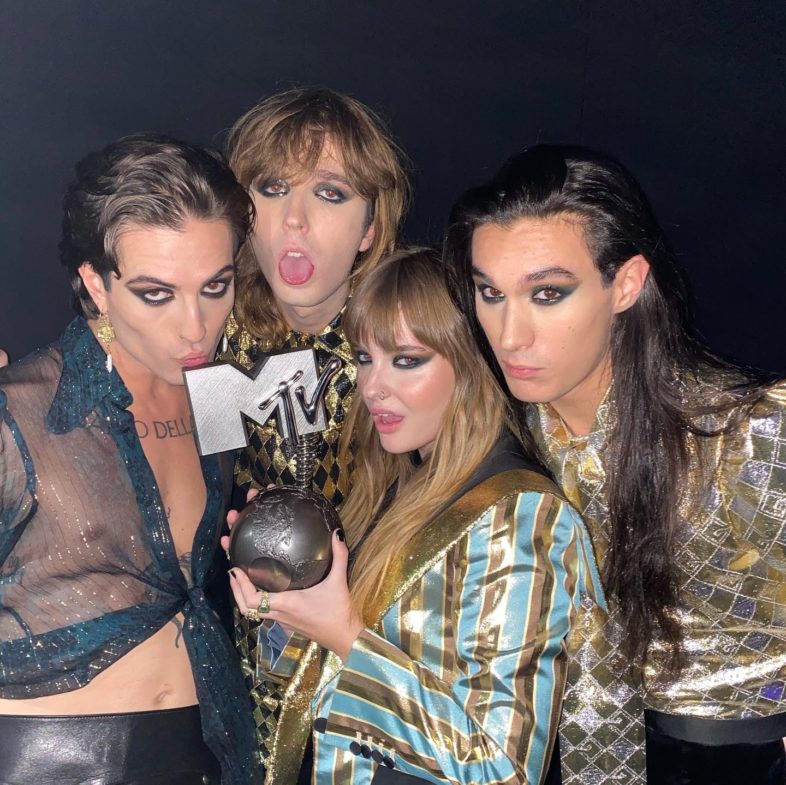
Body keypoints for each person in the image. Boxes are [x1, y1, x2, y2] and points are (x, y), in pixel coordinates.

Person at [445, 143, 786, 785]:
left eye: (547, 293)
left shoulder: (744, 436)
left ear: (625, 284)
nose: (510, 334)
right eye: (489, 293)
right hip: (557, 756)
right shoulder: (502, 437)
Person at [228, 247, 605, 784]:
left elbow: (503, 768)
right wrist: (288, 609)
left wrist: (347, 638)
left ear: (471, 365)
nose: (372, 386)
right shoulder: (393, 489)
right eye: (365, 358)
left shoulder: (522, 516)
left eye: (406, 360)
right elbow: (322, 689)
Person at [0, 134, 260, 784]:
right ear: (96, 283)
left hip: (200, 749)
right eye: (156, 293)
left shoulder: (218, 395)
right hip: (45, 760)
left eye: (216, 286)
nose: (196, 326)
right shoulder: (18, 413)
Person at [223, 86, 410, 757]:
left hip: (383, 660)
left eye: (329, 193)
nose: (294, 220)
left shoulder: (409, 341)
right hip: (248, 660)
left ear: (369, 229)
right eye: (272, 188)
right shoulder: (219, 334)